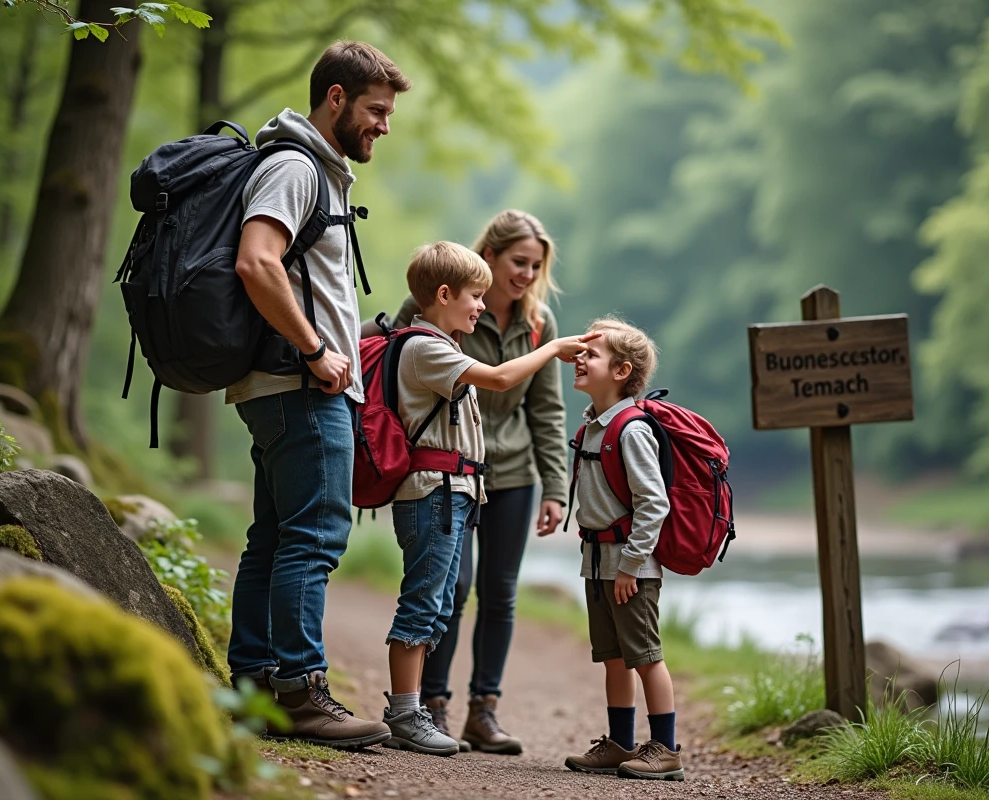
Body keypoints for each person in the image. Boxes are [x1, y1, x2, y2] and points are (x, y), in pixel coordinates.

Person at [226, 40, 410, 748]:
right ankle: (301, 691)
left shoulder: (317, 170)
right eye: (376, 110)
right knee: (315, 538)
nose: (384, 126)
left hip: (288, 382)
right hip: (300, 385)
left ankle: (254, 687)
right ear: (336, 98)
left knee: (273, 539)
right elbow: (256, 262)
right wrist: (315, 351)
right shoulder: (294, 167)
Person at [379, 241, 598, 756]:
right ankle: (407, 713)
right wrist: (552, 349)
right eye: (474, 296)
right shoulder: (426, 348)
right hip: (434, 494)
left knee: (437, 605)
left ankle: (427, 712)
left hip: (456, 494)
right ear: (443, 294)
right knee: (425, 604)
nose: (481, 304)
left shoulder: (443, 343)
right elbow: (500, 378)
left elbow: (540, 412)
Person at [558, 317, 684, 781]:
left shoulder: (630, 430)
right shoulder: (594, 424)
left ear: (621, 371)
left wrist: (631, 565)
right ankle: (620, 744)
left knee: (646, 656)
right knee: (613, 657)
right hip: (598, 565)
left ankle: (666, 749)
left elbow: (654, 504)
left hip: (630, 567)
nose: (579, 358)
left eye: (591, 354)